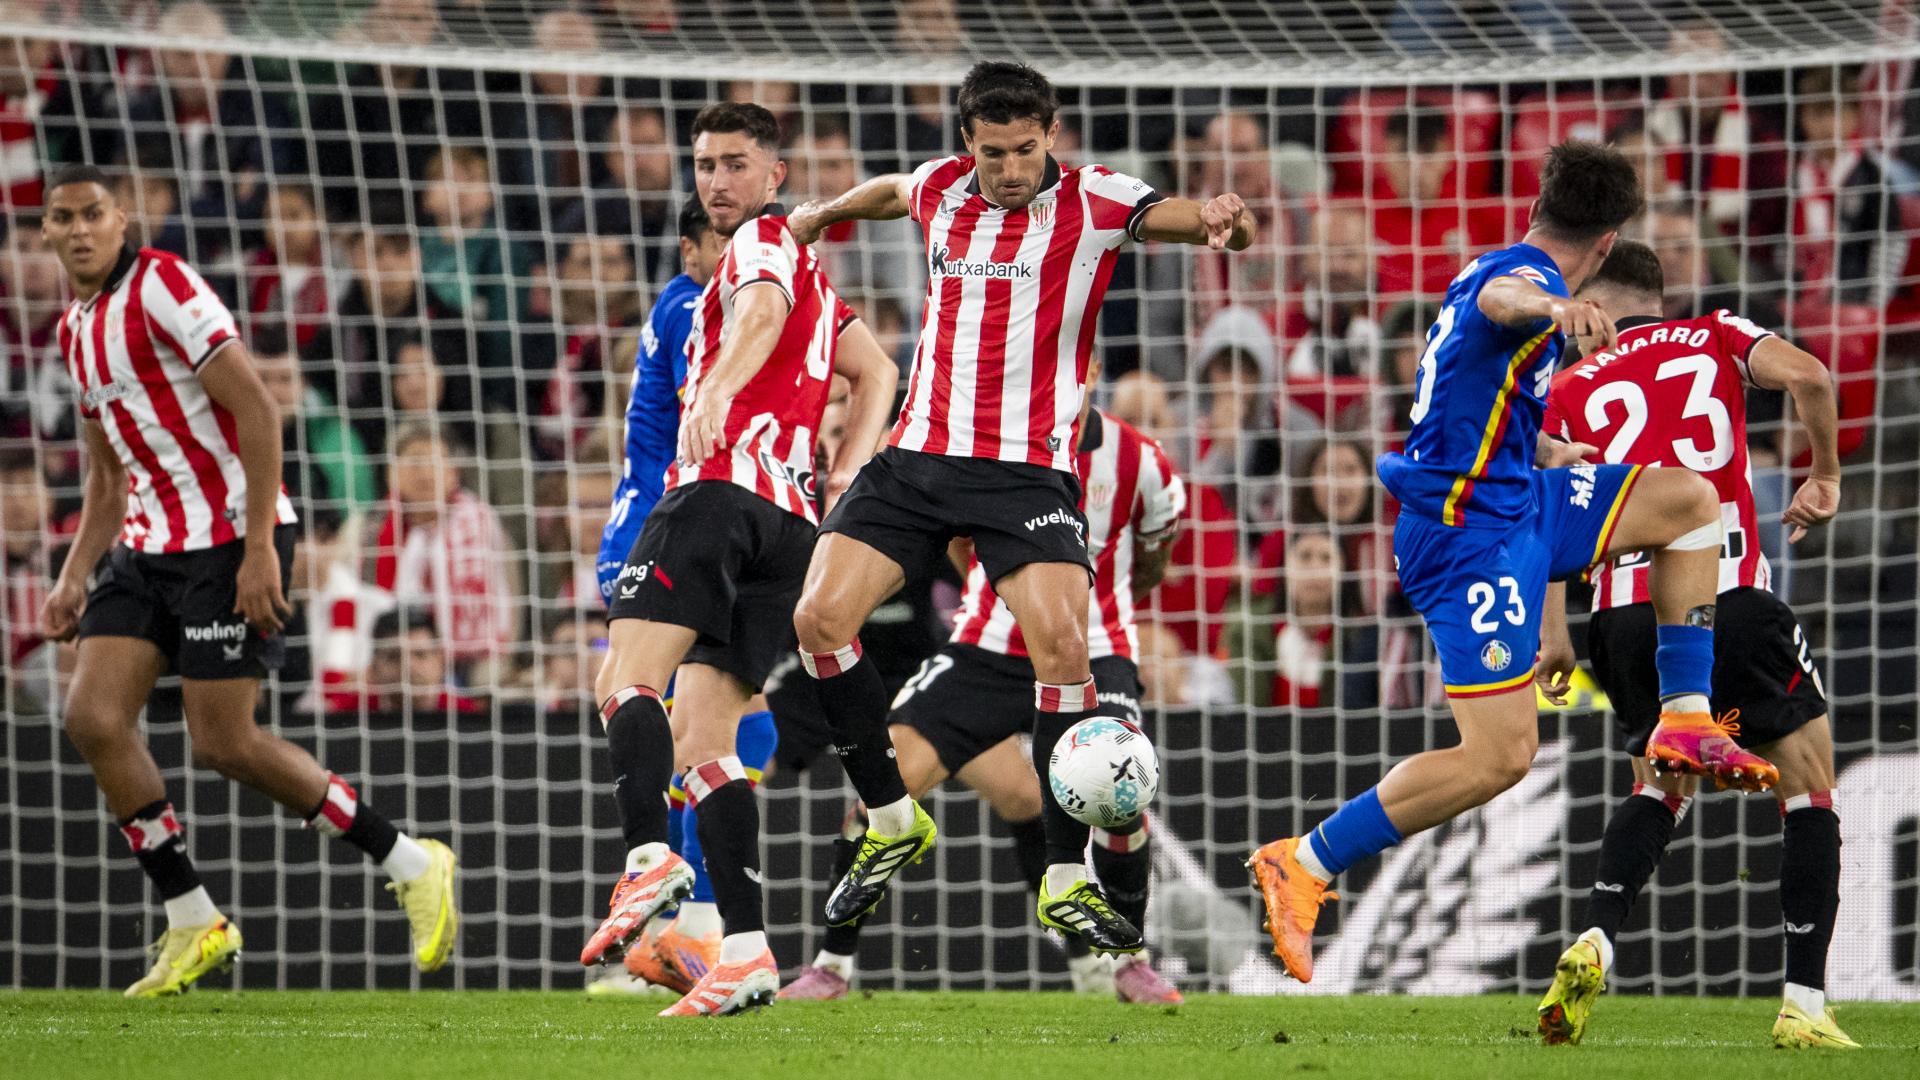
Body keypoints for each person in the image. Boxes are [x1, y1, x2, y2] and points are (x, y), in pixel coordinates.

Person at [1247, 141, 1776, 986]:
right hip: (1466, 540)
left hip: (1521, 495)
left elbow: (1476, 395)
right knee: (1500, 759)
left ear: (1540, 204)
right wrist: (1555, 309)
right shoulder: (1516, 280)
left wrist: (1545, 439)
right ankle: (1304, 861)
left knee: (1687, 503)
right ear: (1607, 245)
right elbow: (1505, 302)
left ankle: (1684, 712)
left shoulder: (1498, 268)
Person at [784, 60, 1254, 952]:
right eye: (993, 152)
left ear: (1053, 133)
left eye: (1025, 150)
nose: (1009, 168)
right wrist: (825, 213)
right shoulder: (940, 189)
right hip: (917, 457)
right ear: (968, 143)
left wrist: (1221, 223)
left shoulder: (1096, 198)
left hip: (1025, 471)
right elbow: (891, 190)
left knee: (1066, 646)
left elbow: (1175, 218)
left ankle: (1067, 876)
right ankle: (888, 818)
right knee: (817, 619)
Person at [34, 164, 457, 997]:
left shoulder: (162, 285)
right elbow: (106, 477)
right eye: (60, 218)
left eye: (92, 213)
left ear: (123, 219)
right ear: (45, 232)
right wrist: (74, 574)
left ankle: (410, 859)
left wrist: (261, 544)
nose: (78, 229)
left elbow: (258, 410)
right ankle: (193, 918)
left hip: (230, 535)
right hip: (148, 546)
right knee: (91, 714)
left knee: (222, 742)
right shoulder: (73, 331)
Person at [584, 102, 899, 1017]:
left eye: (734, 164)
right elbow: (876, 373)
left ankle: (648, 859)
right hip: (790, 529)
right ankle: (750, 950)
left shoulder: (759, 250)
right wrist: (847, 471)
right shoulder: (810, 267)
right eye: (705, 165)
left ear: (775, 177)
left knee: (624, 682)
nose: (715, 181)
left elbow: (755, 314)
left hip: (717, 497)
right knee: (708, 743)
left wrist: (716, 384)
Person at [1531, 240, 1852, 1049]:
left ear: (1597, 302)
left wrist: (1555, 632)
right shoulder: (1713, 335)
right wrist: (1826, 475)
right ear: (1658, 295)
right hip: (1726, 592)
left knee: (1660, 783)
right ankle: (1804, 1006)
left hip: (1620, 618)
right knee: (1809, 784)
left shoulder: (1565, 389)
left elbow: (1539, 508)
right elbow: (1811, 375)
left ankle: (1596, 937)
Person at [779, 378, 1189, 1005]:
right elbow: (952, 535)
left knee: (1118, 794)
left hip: (1097, 648)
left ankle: (1129, 958)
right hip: (987, 647)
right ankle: (832, 964)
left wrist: (1111, 597)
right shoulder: (991, 443)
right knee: (884, 783)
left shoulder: (1141, 460)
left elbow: (1159, 551)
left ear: (1088, 366)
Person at [585, 197, 783, 997]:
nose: (743, 256)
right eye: (727, 241)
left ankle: (670, 930)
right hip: (669, 528)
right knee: (708, 724)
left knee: (717, 725)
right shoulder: (694, 305)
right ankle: (678, 922)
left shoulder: (688, 301)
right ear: (692, 249)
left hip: (680, 526)